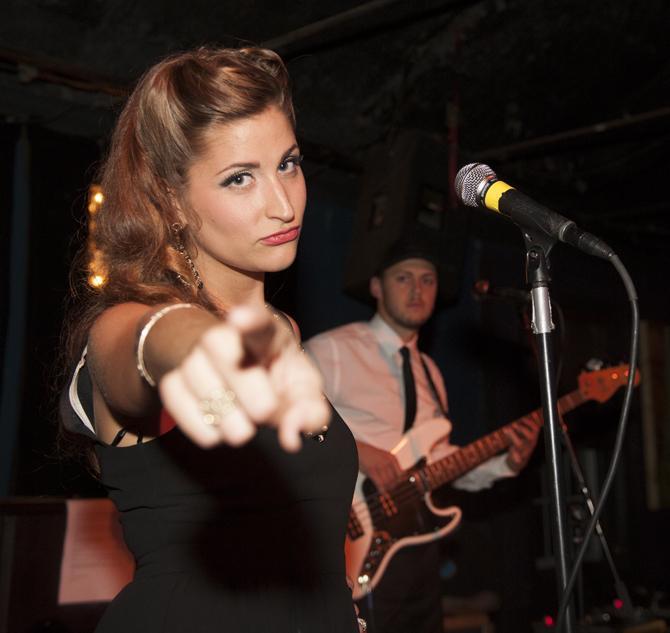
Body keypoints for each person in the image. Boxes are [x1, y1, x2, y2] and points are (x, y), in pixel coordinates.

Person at [58, 46, 363, 633]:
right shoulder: (130, 323)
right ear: (171, 201)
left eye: (289, 164)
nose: (282, 203)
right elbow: (144, 346)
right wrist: (193, 340)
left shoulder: (287, 332)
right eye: (240, 178)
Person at [304, 237, 540, 633]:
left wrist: (506, 463)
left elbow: (442, 461)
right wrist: (356, 451)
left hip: (419, 547)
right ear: (377, 287)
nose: (417, 290)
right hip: (355, 539)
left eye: (428, 280)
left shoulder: (430, 370)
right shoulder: (332, 351)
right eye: (404, 278)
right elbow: (278, 421)